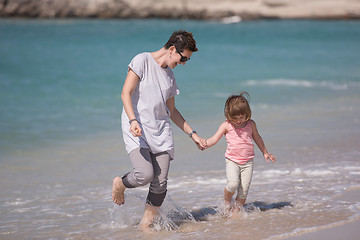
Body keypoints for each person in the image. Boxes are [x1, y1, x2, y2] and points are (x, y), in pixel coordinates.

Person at [112, 30, 205, 231]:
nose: (183, 64)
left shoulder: (170, 77)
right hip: (136, 126)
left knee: (160, 184)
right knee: (144, 175)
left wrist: (193, 134)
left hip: (161, 130)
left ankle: (145, 227)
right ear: (172, 49)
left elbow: (172, 111)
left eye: (187, 60)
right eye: (183, 58)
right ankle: (120, 183)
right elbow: (125, 93)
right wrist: (132, 120)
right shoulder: (142, 61)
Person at [204, 92, 276, 214]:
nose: (238, 121)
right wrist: (204, 144)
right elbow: (214, 139)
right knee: (232, 184)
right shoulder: (226, 125)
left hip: (248, 162)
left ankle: (236, 213)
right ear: (229, 115)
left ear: (247, 114)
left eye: (241, 117)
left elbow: (257, 138)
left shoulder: (250, 124)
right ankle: (227, 200)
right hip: (232, 161)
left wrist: (265, 152)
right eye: (235, 118)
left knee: (243, 190)